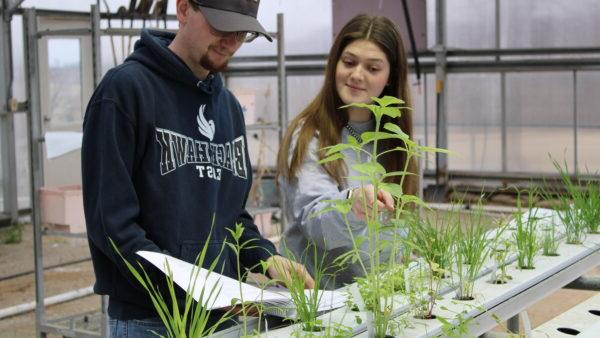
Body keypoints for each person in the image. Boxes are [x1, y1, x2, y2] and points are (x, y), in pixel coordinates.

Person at [81, 0, 314, 336]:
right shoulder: (125, 92)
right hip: (150, 320)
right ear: (184, 9)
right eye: (221, 26)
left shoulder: (228, 108)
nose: (231, 41)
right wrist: (200, 291)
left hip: (220, 318)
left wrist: (266, 258)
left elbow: (230, 215)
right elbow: (112, 226)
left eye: (242, 32)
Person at [277, 14, 417, 289]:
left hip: (377, 298)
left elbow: (401, 224)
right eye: (349, 62)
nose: (356, 75)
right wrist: (352, 203)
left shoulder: (396, 141)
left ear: (390, 78)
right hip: (320, 299)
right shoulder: (310, 135)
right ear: (334, 64)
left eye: (373, 68)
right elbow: (316, 224)